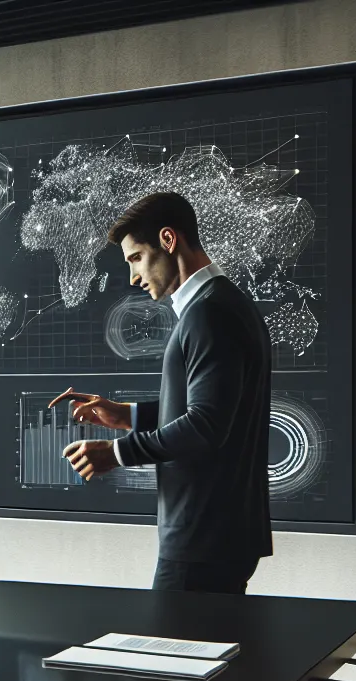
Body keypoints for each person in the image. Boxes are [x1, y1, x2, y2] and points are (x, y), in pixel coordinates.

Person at [55, 192, 272, 594]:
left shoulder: (209, 314)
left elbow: (205, 427)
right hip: (220, 534)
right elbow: (217, 410)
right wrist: (128, 416)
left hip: (201, 536)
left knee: (170, 650)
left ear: (169, 241)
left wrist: (116, 452)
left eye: (136, 258)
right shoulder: (224, 305)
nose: (134, 277)